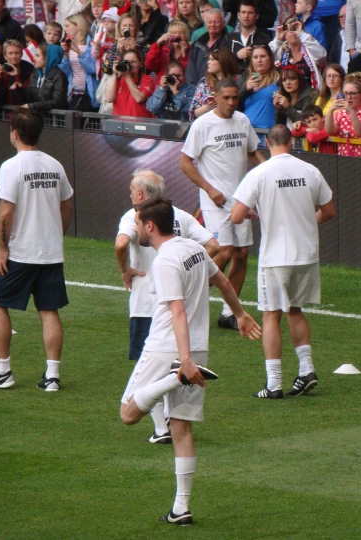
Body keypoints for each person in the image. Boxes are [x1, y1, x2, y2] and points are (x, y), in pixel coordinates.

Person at [118, 197, 261, 527]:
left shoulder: (165, 260)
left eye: (139, 223)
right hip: (198, 350)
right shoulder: (194, 249)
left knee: (128, 414)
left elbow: (177, 311)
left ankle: (175, 378)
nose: (137, 228)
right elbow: (222, 281)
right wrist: (239, 313)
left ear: (150, 226)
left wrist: (181, 365)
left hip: (169, 350)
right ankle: (181, 508)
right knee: (180, 428)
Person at [114, 169, 219, 443]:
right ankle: (166, 425)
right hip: (183, 319)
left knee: (147, 372)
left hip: (149, 307)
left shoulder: (133, 216)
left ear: (139, 194)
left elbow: (121, 243)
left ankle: (161, 428)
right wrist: (198, 276)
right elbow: (213, 245)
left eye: (130, 191)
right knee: (161, 373)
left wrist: (125, 270)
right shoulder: (179, 215)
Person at [231, 124, 335, 399]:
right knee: (295, 310)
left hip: (276, 257)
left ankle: (274, 384)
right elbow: (329, 211)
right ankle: (306, 370)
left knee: (271, 315)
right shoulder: (309, 170)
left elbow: (235, 216)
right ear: (292, 142)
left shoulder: (260, 173)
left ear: (267, 142)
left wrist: (256, 212)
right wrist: (307, 223)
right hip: (307, 254)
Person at [0, 109, 73, 392]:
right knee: (48, 310)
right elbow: (67, 204)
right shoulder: (55, 165)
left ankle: (2, 370)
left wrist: (3, 249)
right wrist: (56, 234)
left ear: (15, 133)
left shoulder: (11, 166)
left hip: (20, 253)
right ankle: (52, 376)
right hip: (50, 252)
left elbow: (5, 212)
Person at [180, 78, 267, 330]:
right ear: (215, 97)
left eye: (234, 98)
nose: (230, 102)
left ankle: (229, 312)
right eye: (226, 98)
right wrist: (209, 188)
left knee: (241, 254)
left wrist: (269, 168)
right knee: (224, 251)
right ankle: (189, 301)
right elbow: (184, 162)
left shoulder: (242, 120)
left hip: (241, 201)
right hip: (214, 201)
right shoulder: (202, 124)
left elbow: (252, 152)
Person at [324, 73, 361, 157]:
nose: (348, 97)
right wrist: (330, 110)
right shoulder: (340, 112)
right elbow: (329, 131)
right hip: (343, 159)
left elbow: (359, 133)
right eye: (345, 93)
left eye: (353, 93)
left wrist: (351, 111)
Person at [59, 13, 98, 111]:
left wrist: (80, 53)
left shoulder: (91, 45)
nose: (65, 29)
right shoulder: (67, 45)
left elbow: (93, 69)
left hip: (89, 93)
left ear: (78, 26)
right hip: (73, 93)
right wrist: (66, 55)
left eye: (67, 26)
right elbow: (63, 73)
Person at [189, 45, 239, 120]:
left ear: (222, 61)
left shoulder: (237, 80)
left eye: (212, 60)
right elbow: (193, 113)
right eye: (209, 59)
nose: (208, 62)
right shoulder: (204, 82)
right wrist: (207, 107)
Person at [237, 43, 280, 129]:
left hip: (270, 133)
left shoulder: (279, 76)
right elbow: (233, 104)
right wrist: (245, 89)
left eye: (263, 56)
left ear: (270, 58)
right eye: (255, 57)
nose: (259, 60)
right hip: (246, 131)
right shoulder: (245, 77)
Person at [272, 18, 322, 90]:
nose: (293, 32)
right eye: (290, 30)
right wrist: (277, 40)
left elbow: (322, 54)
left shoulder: (310, 49)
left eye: (296, 29)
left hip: (310, 96)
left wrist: (302, 34)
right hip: (287, 97)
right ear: (285, 34)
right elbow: (265, 60)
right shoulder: (281, 51)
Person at [106, 48, 155, 117]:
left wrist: (127, 77)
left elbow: (139, 98)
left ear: (140, 63)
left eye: (133, 62)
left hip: (139, 123)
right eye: (126, 62)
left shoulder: (147, 79)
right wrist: (115, 74)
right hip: (120, 123)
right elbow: (109, 99)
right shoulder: (118, 79)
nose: (129, 65)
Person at [226, 0, 271, 72]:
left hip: (257, 79)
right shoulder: (228, 38)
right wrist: (237, 56)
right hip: (232, 80)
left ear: (257, 16)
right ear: (238, 15)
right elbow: (220, 61)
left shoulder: (265, 39)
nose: (246, 16)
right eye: (243, 12)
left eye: (250, 13)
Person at [186, 9, 228, 84]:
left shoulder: (228, 43)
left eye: (216, 22)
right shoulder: (197, 44)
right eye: (209, 22)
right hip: (197, 91)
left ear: (223, 23)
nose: (213, 25)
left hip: (220, 89)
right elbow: (190, 73)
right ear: (205, 24)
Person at [22, 42, 68, 110]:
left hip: (54, 119)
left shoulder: (59, 76)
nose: (33, 58)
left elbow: (57, 102)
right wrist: (19, 89)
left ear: (48, 58)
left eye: (37, 55)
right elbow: (29, 97)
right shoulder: (35, 73)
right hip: (38, 117)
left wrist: (33, 106)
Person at [0, 39, 32, 106]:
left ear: (21, 54)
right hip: (4, 113)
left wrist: (16, 76)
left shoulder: (29, 69)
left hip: (23, 111)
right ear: (5, 56)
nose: (14, 56)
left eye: (17, 53)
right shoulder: (0, 70)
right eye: (10, 53)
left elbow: (26, 96)